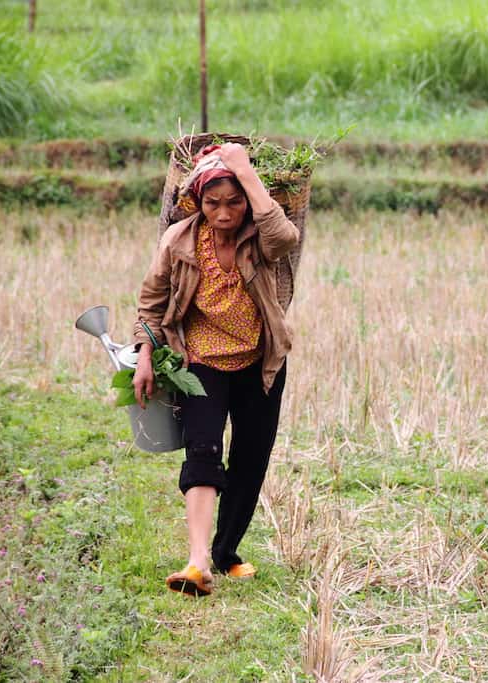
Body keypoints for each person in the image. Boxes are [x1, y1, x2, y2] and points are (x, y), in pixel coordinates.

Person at [131, 142, 299, 596]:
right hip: (200, 360)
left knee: (250, 459)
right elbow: (151, 304)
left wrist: (244, 169)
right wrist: (144, 355)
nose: (224, 214)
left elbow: (286, 238)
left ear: (247, 199)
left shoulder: (260, 236)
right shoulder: (179, 240)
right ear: (199, 204)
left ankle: (226, 555)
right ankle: (197, 561)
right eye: (212, 203)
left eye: (234, 202)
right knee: (202, 450)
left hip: (259, 361)